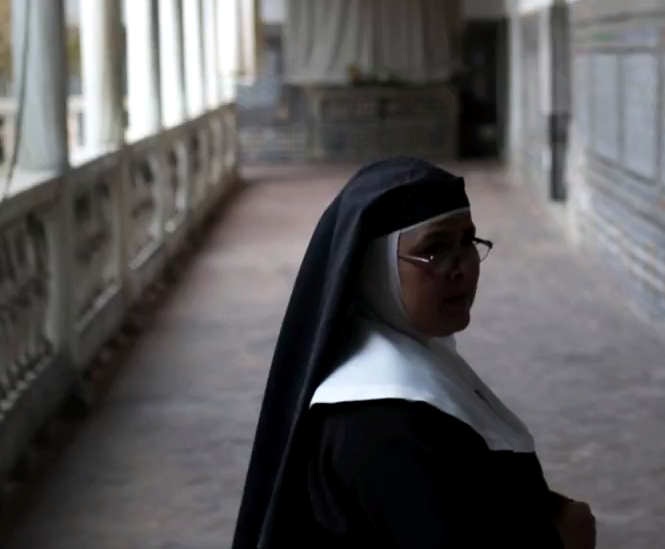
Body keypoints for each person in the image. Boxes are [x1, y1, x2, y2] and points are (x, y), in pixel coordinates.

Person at [232, 157, 596, 549]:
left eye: (467, 241)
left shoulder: (408, 362)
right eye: (435, 248)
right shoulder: (384, 423)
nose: (463, 267)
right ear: (374, 267)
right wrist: (563, 537)